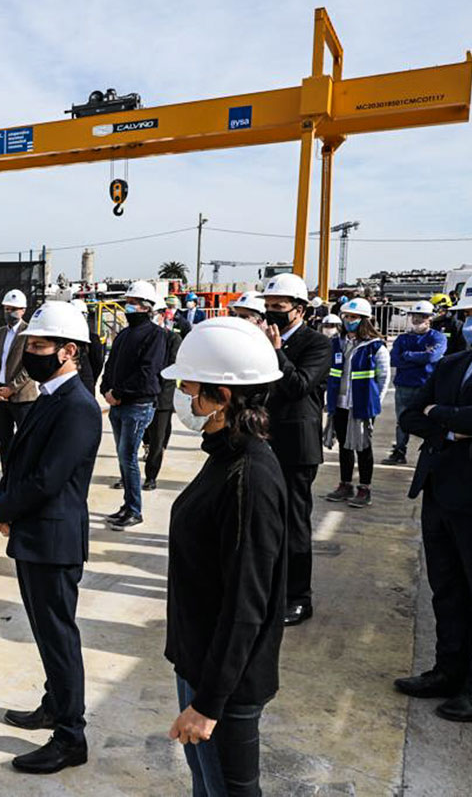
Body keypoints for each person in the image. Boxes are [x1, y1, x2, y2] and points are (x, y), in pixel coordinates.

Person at [161, 317, 288, 795]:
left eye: (190, 388)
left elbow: (246, 605)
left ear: (224, 396)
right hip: (199, 665)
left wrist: (208, 703)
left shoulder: (249, 477)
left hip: (223, 686)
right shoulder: (226, 455)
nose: (183, 399)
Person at [0, 300, 102, 774]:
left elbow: (48, 479)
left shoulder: (77, 406)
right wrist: (5, 499)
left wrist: (3, 508)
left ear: (68, 350)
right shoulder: (46, 396)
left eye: (39, 344)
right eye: (28, 343)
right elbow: (19, 460)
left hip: (54, 539)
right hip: (35, 534)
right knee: (45, 630)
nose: (30, 351)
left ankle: (71, 735)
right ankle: (53, 704)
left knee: (59, 636)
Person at [396, 268, 472, 723]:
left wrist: (452, 419)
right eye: (468, 314)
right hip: (439, 487)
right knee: (447, 589)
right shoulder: (455, 361)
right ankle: (448, 670)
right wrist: (462, 421)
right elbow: (414, 415)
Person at [260, 273, 332, 627]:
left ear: (299, 310)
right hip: (264, 441)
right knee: (267, 522)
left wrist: (275, 352)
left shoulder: (317, 344)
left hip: (296, 448)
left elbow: (298, 385)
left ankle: (298, 597)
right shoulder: (261, 340)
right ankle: (272, 589)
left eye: (279, 307)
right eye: (268, 306)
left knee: (294, 524)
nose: (272, 313)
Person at [100, 280, 166, 529]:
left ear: (147, 307)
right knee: (122, 456)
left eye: (134, 304)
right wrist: (105, 389)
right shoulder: (124, 334)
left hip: (137, 405)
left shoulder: (155, 335)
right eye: (128, 303)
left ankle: (135, 509)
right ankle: (127, 505)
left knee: (128, 456)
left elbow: (147, 373)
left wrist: (119, 392)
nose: (129, 307)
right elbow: (111, 365)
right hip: (118, 403)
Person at [324, 298, 391, 509]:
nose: (348, 320)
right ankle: (345, 485)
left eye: (353, 317)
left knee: (363, 448)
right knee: (344, 446)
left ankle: (364, 488)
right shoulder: (337, 343)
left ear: (364, 320)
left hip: (361, 406)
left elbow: (383, 378)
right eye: (346, 317)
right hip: (340, 404)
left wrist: (374, 404)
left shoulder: (375, 347)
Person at [384, 300, 446, 465]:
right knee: (402, 420)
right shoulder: (402, 339)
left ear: (430, 319)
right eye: (415, 316)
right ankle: (399, 451)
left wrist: (408, 355)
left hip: (426, 386)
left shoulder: (437, 337)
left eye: (422, 316)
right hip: (404, 385)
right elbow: (394, 359)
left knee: (430, 419)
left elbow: (432, 357)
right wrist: (419, 357)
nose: (418, 319)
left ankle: (432, 451)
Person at [0, 289, 38, 473]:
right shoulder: (0, 333)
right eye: (6, 308)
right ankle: (7, 481)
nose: (9, 313)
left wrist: (12, 388)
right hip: (1, 396)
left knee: (26, 443)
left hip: (22, 398)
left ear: (23, 310)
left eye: (13, 309)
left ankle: (24, 481)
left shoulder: (30, 333)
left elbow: (29, 368)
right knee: (5, 442)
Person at [143, 306, 184, 491]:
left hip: (162, 397)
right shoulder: (143, 338)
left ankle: (151, 476)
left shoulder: (172, 338)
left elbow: (173, 367)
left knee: (157, 440)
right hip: (141, 396)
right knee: (138, 439)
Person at [72, 300, 107, 394]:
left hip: (83, 385)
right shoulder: (92, 338)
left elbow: (98, 363)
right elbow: (98, 363)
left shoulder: (92, 339)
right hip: (86, 384)